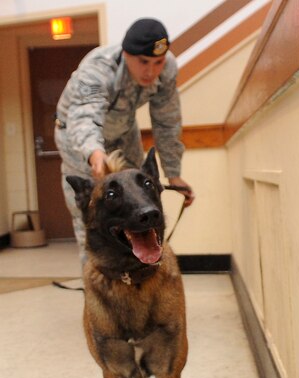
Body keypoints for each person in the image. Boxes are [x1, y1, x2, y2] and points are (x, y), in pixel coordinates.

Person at [54, 17, 194, 263]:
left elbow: (167, 121)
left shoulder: (168, 68)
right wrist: (95, 155)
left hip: (123, 132)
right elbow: (85, 119)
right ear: (126, 54)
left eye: (157, 62)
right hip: (78, 140)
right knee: (90, 214)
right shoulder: (97, 69)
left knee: (136, 198)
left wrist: (174, 174)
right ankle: (97, 289)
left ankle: (139, 278)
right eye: (143, 62)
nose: (151, 71)